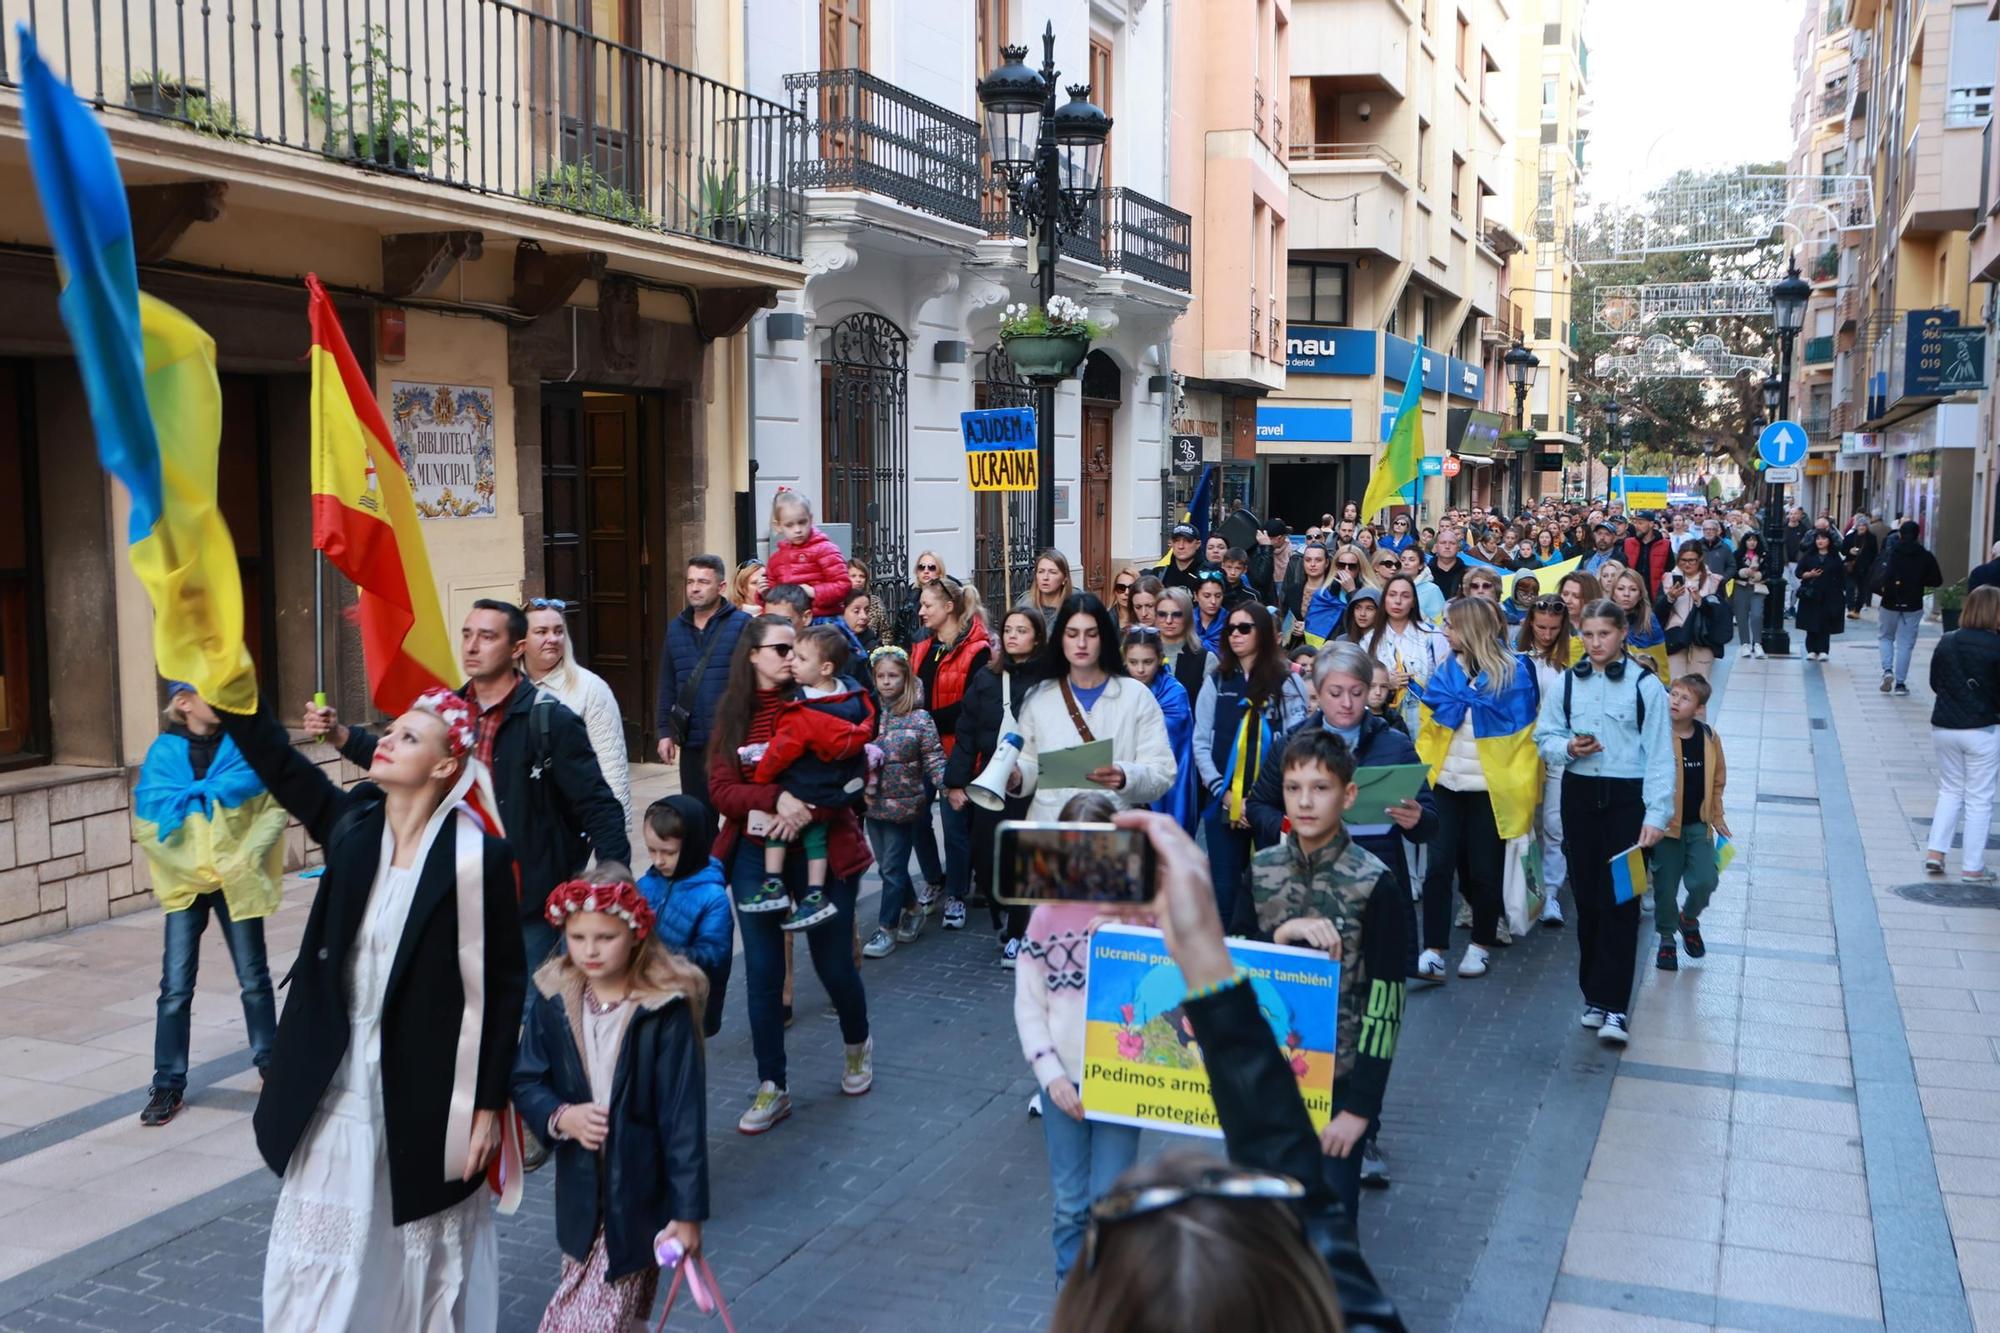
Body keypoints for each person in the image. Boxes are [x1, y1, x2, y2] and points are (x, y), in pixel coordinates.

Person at [218, 687, 526, 1329]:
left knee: (415, 1252)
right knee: (323, 1253)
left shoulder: (477, 860)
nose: (386, 740)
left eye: (410, 737)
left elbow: (502, 988)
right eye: (390, 730)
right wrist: (229, 690)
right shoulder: (353, 825)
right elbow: (280, 763)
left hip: (426, 1091)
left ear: (446, 766)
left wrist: (489, 1106)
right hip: (338, 1085)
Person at [1049, 810, 1406, 1333]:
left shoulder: (1374, 881)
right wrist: (1205, 956)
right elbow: (1312, 1214)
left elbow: (1309, 1215)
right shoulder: (1333, 1304)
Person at [311, 600, 631, 968]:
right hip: (454, 894)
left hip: (527, 905)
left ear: (516, 649)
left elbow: (599, 808)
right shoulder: (444, 714)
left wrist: (612, 891)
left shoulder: (549, 719)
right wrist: (338, 734)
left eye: (487, 636)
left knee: (528, 1015)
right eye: (467, 634)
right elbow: (400, 760)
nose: (472, 646)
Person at [513, 876, 708, 1329]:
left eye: (605, 937)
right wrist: (561, 1116)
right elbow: (526, 1078)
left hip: (639, 1204)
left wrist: (688, 1213)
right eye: (578, 937)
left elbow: (683, 1118)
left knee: (583, 1324)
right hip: (581, 1202)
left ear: (636, 933)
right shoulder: (553, 999)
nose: (590, 949)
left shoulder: (664, 1012)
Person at [709, 616, 874, 1135]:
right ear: (752, 655)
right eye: (780, 648)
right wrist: (773, 797)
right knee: (761, 974)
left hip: (821, 850)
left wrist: (806, 807)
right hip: (756, 855)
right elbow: (721, 790)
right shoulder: (731, 714)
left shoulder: (821, 700)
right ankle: (772, 1085)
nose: (790, 656)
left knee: (832, 965)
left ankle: (856, 1043)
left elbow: (852, 776)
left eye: (796, 649)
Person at [1242, 728, 1407, 1228]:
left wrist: (1361, 1110)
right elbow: (1229, 962)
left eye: (1320, 788)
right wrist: (1281, 934)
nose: (1305, 801)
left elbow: (1386, 1003)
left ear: (1348, 794)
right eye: (1293, 788)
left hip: (1337, 1081)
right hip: (1265, 1078)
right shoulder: (1262, 869)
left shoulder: (1374, 882)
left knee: (1330, 1230)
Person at [132, 681, 286, 1127]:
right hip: (185, 885)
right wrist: (187, 869)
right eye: (212, 694)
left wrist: (244, 859)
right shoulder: (163, 754)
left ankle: (271, 1063)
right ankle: (167, 1082)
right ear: (184, 703)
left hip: (236, 879)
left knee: (254, 978)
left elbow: (273, 809)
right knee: (175, 988)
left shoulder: (244, 747)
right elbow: (147, 823)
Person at [1014, 791, 1148, 1285]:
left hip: (1122, 1082)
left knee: (1111, 1201)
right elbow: (1029, 1006)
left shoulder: (1140, 912)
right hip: (1063, 1083)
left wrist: (1131, 930)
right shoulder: (1046, 915)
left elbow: (1174, 978)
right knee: (1070, 1203)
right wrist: (1050, 1077)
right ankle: (1071, 1296)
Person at [1533, 599, 1675, 1046]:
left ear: (1622, 635)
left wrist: (1657, 814)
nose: (1595, 643)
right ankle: (1594, 995)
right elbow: (1545, 736)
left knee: (1622, 900)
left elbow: (1659, 756)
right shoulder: (1567, 685)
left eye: (1604, 634)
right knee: (1589, 899)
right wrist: (1569, 749)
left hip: (1626, 798)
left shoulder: (1646, 686)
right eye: (1588, 635)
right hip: (1580, 794)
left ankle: (1616, 1006)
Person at [1411, 596, 1543, 984]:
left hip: (1491, 789)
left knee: (1484, 871)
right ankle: (1434, 951)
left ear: (1469, 628)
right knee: (1438, 869)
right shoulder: (1445, 670)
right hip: (1446, 785)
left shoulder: (1515, 672)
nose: (1445, 631)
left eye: (1450, 625)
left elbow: (1525, 738)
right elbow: (1428, 725)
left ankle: (1481, 943)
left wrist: (1523, 791)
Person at [745, 626, 877, 933]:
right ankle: (816, 894)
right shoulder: (854, 698)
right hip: (836, 791)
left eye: (801, 658)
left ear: (825, 667)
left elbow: (781, 750)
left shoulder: (802, 710)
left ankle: (773, 883)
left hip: (802, 787)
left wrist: (763, 778)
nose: (792, 661)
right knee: (817, 839)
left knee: (776, 832)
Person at [1195, 603, 1315, 923]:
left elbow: (1296, 744)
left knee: (1274, 887)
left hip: (1273, 804)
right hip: (1225, 799)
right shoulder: (1217, 681)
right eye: (1230, 629)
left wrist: (1259, 801)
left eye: (1244, 628)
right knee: (1224, 889)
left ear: (1262, 634)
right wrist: (1225, 792)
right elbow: (1201, 742)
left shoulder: (1288, 683)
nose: (1235, 634)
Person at [1010, 593, 1177, 822]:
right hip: (1050, 834)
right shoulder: (1038, 697)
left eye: (1091, 634)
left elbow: (1161, 771)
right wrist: (1016, 775)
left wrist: (1124, 775)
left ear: (1104, 638)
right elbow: (1030, 763)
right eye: (1072, 634)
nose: (1081, 643)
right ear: (1060, 638)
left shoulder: (1136, 697)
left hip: (1112, 832)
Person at [950, 608, 1049, 955]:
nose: (1012, 636)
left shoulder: (1051, 681)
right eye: (1008, 629)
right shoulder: (986, 679)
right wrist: (955, 783)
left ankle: (1019, 932)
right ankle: (1004, 913)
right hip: (989, 784)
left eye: (1021, 630)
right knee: (987, 856)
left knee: (1022, 858)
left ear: (1037, 637)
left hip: (1035, 786)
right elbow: (966, 731)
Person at [914, 577, 994, 931]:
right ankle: (935, 877)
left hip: (956, 751)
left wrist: (926, 719)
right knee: (915, 817)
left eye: (927, 605)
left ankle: (958, 894)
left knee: (954, 824)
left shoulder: (978, 650)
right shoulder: (923, 647)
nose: (921, 611)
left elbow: (971, 708)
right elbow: (914, 695)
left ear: (949, 608)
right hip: (922, 750)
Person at [861, 646, 947, 959]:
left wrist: (947, 787)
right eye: (881, 676)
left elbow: (934, 757)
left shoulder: (920, 718)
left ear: (906, 678)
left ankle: (886, 928)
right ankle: (913, 909)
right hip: (873, 803)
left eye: (893, 676)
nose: (886, 682)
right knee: (887, 867)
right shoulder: (870, 713)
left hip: (905, 804)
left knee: (893, 868)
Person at [657, 556, 752, 811]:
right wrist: (664, 732)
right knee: (697, 818)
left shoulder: (742, 626)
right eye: (690, 582)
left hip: (732, 742)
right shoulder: (676, 628)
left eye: (702, 582)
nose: (694, 588)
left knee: (739, 815)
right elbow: (667, 683)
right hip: (693, 744)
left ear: (721, 587)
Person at [526, 597, 631, 825]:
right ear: (520, 640)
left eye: (558, 631)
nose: (552, 639)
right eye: (541, 632)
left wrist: (614, 830)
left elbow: (611, 763)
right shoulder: (508, 686)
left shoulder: (591, 688)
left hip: (570, 824)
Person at [637, 796, 733, 1037]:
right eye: (651, 850)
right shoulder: (646, 883)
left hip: (689, 1006)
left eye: (668, 852)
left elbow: (714, 954)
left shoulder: (712, 896)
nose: (658, 860)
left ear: (691, 846)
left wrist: (665, 956)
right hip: (646, 995)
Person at [1654, 674, 1730, 972]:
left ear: (1699, 708)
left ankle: (1688, 918)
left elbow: (1717, 781)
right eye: (1673, 694)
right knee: (1665, 885)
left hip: (1699, 825)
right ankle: (1666, 939)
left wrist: (1717, 816)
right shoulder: (1658, 735)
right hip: (1666, 827)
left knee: (1705, 879)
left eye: (1685, 698)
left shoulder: (1709, 737)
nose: (1675, 701)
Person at [1925, 586, 2000, 883]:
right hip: (1982, 728)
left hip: (1944, 726)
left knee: (1950, 790)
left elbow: (1935, 682)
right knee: (1979, 797)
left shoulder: (1947, 641)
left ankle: (1936, 852)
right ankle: (1972, 866)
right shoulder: (1996, 646)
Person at [1517, 596, 1575, 927]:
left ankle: (1550, 892)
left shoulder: (1571, 659)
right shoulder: (1517, 655)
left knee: (1554, 823)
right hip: (1523, 748)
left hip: (1559, 748)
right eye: (1540, 627)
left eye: (1554, 628)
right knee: (1525, 822)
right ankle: (1526, 890)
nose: (1546, 633)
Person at [1124, 625, 1200, 834]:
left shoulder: (1174, 693)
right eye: (1133, 662)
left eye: (1147, 662)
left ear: (1159, 659)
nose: (1140, 670)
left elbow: (1170, 744)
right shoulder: (1115, 689)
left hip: (1165, 789)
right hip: (1122, 784)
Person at [1875, 519, 1944, 695]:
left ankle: (1887, 670)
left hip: (1889, 602)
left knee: (1885, 637)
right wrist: (1920, 581)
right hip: (1913, 604)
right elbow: (1937, 580)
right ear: (1918, 535)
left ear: (1900, 534)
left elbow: (1882, 575)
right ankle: (1900, 683)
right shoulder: (1925, 556)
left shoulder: (1892, 553)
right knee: (1905, 644)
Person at [763, 489, 852, 620]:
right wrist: (764, 593)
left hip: (822, 620)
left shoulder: (825, 549)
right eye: (790, 525)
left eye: (802, 522)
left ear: (810, 519)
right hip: (790, 622)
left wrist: (814, 592)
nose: (798, 530)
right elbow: (773, 595)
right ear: (778, 526)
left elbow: (843, 585)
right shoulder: (776, 559)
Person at [1657, 540, 1727, 681]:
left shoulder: (1714, 581)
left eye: (1692, 560)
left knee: (1698, 686)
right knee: (1675, 684)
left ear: (1700, 559)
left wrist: (1700, 602)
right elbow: (1658, 613)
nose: (1687, 564)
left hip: (1702, 638)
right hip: (1675, 636)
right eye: (1683, 560)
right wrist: (1670, 598)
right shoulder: (1667, 579)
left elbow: (1720, 615)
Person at [1157, 586, 1219, 703]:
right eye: (1162, 614)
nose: (1168, 620)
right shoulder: (1142, 654)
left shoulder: (1206, 659)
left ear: (1187, 617)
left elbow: (1210, 709)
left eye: (1176, 614)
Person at [1795, 527, 1848, 661]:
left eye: (1823, 538)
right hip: (1811, 594)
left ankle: (1824, 650)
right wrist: (1809, 574)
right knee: (1811, 622)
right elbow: (1799, 572)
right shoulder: (1809, 555)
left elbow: (1841, 575)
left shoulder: (1834, 557)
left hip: (1829, 594)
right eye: (1818, 538)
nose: (1820, 541)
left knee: (1825, 622)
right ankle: (1811, 649)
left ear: (1829, 541)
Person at [1609, 568, 1667, 679]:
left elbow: (1661, 666)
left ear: (1640, 594)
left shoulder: (1650, 622)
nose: (1626, 594)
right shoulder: (1602, 618)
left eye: (1633, 589)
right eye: (1621, 589)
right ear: (1613, 593)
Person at [897, 550, 949, 647]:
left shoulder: (948, 596)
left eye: (932, 567)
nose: (926, 571)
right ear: (917, 572)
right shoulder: (909, 598)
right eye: (921, 567)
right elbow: (900, 631)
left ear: (940, 572)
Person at [1732, 532, 1770, 660]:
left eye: (1754, 540)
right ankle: (1745, 644)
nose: (1752, 543)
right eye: (1749, 540)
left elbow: (1769, 570)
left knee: (1757, 615)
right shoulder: (1737, 555)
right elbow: (1732, 570)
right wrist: (1742, 572)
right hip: (1741, 587)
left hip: (1758, 587)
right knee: (1741, 617)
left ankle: (1758, 643)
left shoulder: (1764, 555)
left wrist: (1759, 575)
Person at [1019, 549, 1076, 632]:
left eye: (1053, 572)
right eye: (1041, 571)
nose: (1045, 577)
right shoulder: (1024, 604)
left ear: (1065, 578)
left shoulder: (1077, 607)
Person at [1621, 511, 1671, 596]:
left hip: (1655, 595)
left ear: (1651, 524)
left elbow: (1669, 570)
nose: (1636, 526)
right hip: (1631, 594)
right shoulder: (1627, 543)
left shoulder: (1665, 545)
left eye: (1640, 523)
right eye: (1635, 523)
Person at [1160, 522, 1216, 594]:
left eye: (1187, 541)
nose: (1181, 546)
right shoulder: (1161, 574)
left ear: (1197, 544)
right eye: (1176, 541)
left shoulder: (1211, 573)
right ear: (1171, 544)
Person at [1842, 511, 1879, 619]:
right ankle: (1850, 608)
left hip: (1865, 568)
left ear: (1867, 527)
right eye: (1859, 525)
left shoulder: (1871, 538)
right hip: (1850, 567)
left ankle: (1857, 610)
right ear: (1856, 526)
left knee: (1862, 590)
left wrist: (1871, 565)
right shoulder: (1850, 537)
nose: (1861, 527)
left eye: (1863, 525)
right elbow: (1843, 550)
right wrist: (1850, 551)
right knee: (1849, 588)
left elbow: (1874, 553)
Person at [1427, 529, 1468, 600]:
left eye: (1452, 543)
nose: (1447, 546)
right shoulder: (1425, 573)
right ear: (1436, 547)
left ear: (1458, 547)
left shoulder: (1468, 574)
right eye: (1443, 543)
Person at [840, 587, 879, 656]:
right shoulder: (830, 643)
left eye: (866, 610)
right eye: (856, 611)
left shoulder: (875, 649)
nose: (864, 616)